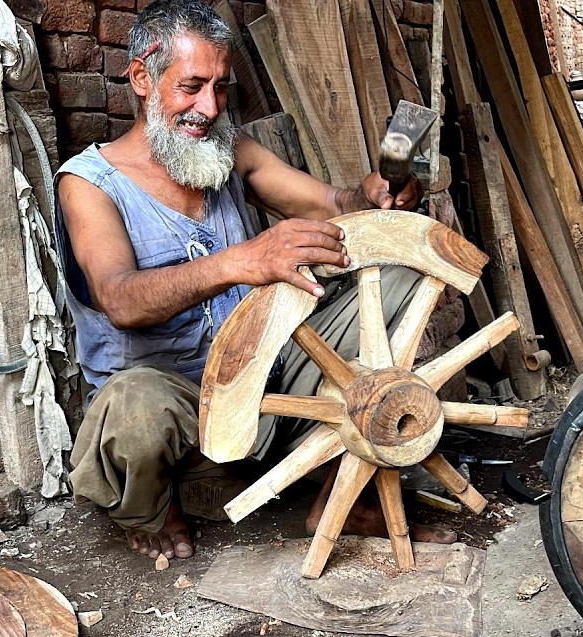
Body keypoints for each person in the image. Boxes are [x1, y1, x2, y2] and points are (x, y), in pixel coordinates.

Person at [54, 0, 454, 561]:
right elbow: (120, 300)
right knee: (132, 410)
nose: (209, 106)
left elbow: (331, 204)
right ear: (142, 78)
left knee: (394, 277)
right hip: (176, 397)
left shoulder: (231, 149)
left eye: (220, 88)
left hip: (261, 371)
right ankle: (154, 504)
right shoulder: (90, 183)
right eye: (191, 86)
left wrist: (371, 196)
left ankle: (347, 493)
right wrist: (239, 262)